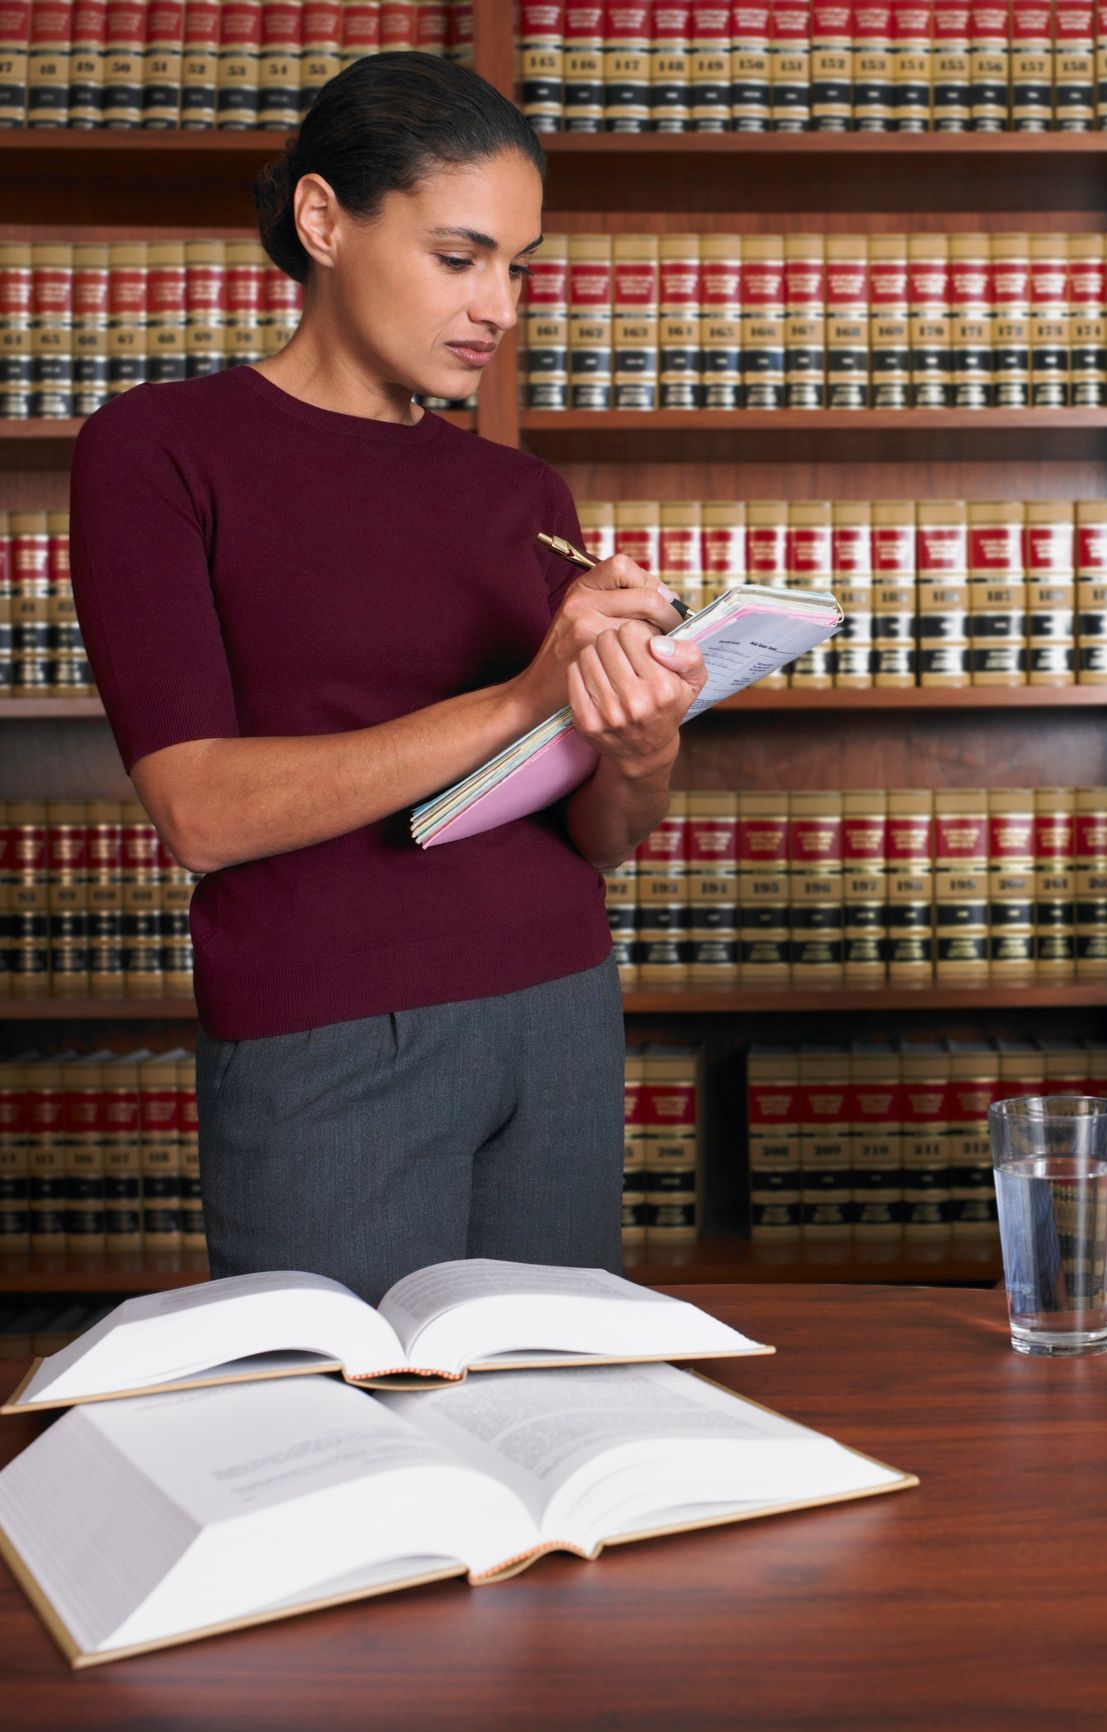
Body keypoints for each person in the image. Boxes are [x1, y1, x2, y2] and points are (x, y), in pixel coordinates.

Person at [68, 53, 704, 1303]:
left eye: (518, 268)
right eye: (459, 257)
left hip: (560, 1005)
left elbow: (602, 837)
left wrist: (642, 741)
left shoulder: (523, 495)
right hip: (329, 1031)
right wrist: (525, 695)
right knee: (348, 1410)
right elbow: (199, 812)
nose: (498, 307)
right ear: (323, 221)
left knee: (559, 1398)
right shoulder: (158, 451)